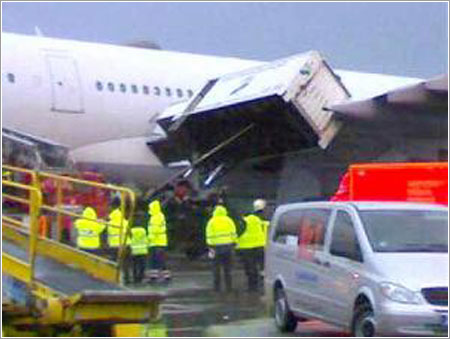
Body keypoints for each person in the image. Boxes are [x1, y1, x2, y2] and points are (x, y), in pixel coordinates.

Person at [205, 204, 237, 293]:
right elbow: (233, 233)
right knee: (228, 268)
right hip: (228, 246)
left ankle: (217, 288)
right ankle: (229, 287)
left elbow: (208, 235)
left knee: (216, 268)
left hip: (215, 247)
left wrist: (210, 246)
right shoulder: (229, 221)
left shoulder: (211, 221)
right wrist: (234, 243)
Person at [236, 204, 266, 292]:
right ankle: (261, 282)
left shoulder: (243, 221)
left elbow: (238, 232)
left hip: (246, 247)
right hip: (260, 245)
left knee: (250, 267)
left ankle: (252, 286)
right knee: (261, 266)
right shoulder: (258, 220)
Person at [147, 199, 171, 282]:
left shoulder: (156, 217)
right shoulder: (159, 216)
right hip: (159, 242)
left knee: (157, 261)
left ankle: (156, 277)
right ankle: (162, 276)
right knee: (159, 260)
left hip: (157, 242)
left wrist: (149, 238)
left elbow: (155, 230)